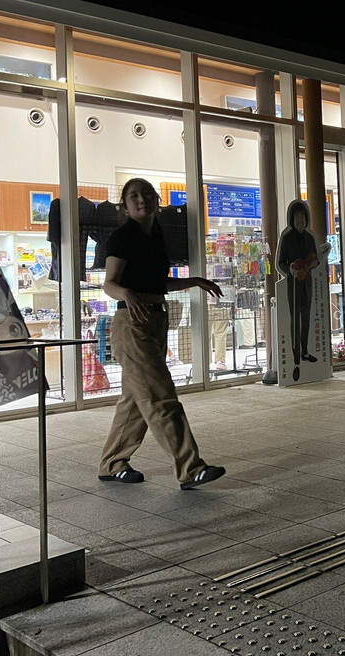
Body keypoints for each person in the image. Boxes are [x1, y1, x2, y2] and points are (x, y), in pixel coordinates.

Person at [97, 177, 226, 490]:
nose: (141, 199)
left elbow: (158, 282)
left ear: (156, 200)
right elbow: (109, 283)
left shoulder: (156, 235)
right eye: (133, 196)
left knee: (135, 401)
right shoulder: (122, 237)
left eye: (146, 194)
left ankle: (113, 463)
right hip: (132, 324)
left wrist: (194, 280)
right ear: (124, 206)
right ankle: (190, 467)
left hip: (155, 320)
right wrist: (126, 294)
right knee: (160, 396)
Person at [277, 199, 327, 381]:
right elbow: (281, 263)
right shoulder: (287, 238)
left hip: (307, 282)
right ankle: (295, 353)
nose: (300, 220)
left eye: (303, 217)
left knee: (306, 316)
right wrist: (290, 269)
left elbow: (316, 259)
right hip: (293, 283)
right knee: (294, 318)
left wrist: (311, 264)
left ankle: (305, 351)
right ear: (292, 219)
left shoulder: (310, 237)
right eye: (297, 217)